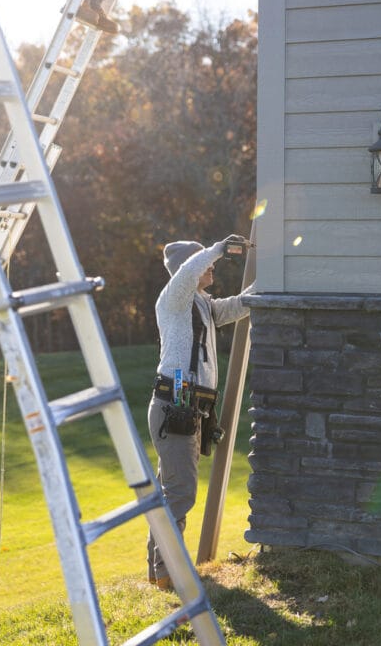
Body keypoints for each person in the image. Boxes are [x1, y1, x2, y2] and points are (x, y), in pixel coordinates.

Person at [147, 235, 253, 590]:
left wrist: (273, 277)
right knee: (181, 492)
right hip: (176, 405)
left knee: (172, 490)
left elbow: (240, 305)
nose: (211, 266)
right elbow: (191, 268)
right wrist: (219, 248)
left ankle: (160, 571)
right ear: (185, 269)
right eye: (205, 261)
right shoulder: (175, 297)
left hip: (189, 409)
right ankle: (169, 573)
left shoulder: (203, 304)